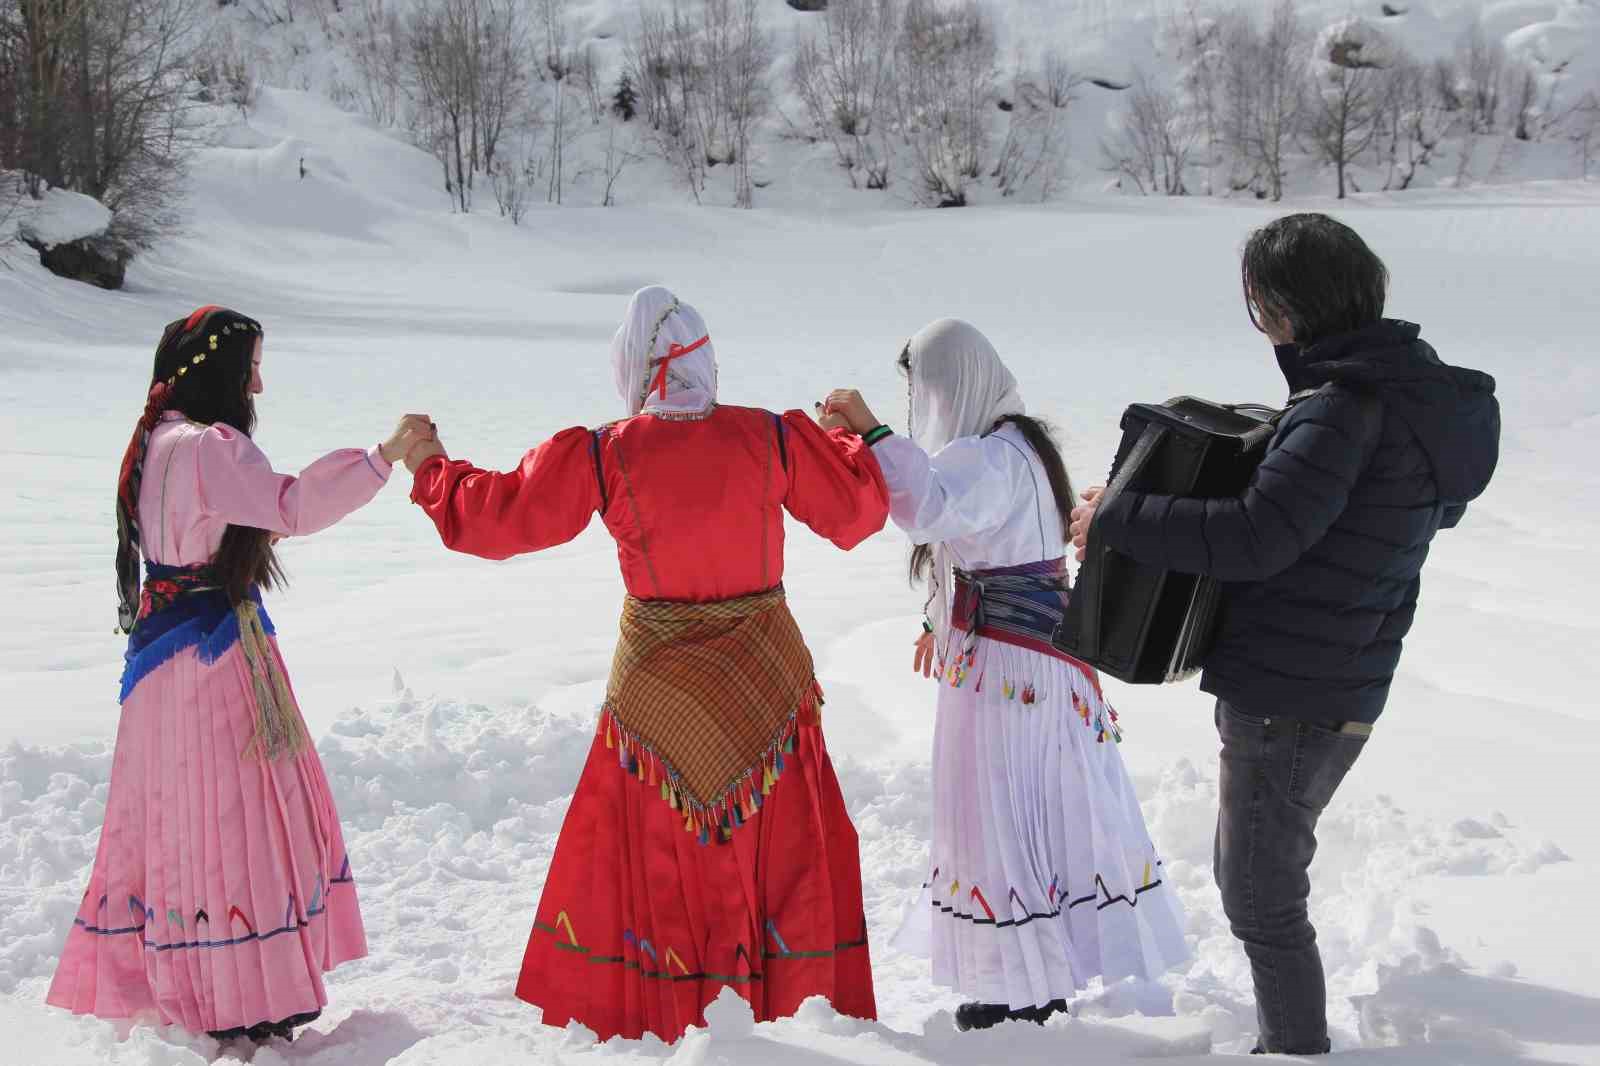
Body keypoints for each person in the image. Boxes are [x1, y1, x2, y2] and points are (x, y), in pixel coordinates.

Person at [405, 285, 888, 1043]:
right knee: (775, 850)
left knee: (664, 852)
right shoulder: (772, 437)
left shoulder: (607, 451)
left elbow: (499, 519)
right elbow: (856, 513)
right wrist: (841, 440)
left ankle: (664, 1015)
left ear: (634, 369)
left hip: (656, 694)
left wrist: (432, 466)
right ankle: (790, 1009)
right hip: (765, 682)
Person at [1070, 214, 1500, 1054]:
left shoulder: (1342, 408)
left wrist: (1118, 516)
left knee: (1260, 899)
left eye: (1258, 301)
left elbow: (1256, 537)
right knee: (1255, 881)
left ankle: (1295, 1049)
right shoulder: (1410, 399)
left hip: (1293, 692)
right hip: (1337, 675)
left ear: (1282, 306)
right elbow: (1341, 520)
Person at [47, 306, 435, 1043]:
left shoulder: (155, 441)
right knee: (237, 814)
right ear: (222, 371)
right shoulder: (210, 448)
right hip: (215, 658)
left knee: (176, 815)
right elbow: (292, 506)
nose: (258, 384)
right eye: (252, 366)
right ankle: (247, 993)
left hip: (159, 665)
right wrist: (383, 456)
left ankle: (189, 980)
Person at [820, 319, 1188, 1033]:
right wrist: (940, 620)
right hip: (1030, 658)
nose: (921, 405)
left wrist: (872, 433)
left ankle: (1023, 985)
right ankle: (1032, 972)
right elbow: (969, 533)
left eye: (922, 391)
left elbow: (928, 509)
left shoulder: (987, 456)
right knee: (1034, 807)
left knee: (1001, 810)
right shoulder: (1020, 444)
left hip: (1008, 664)